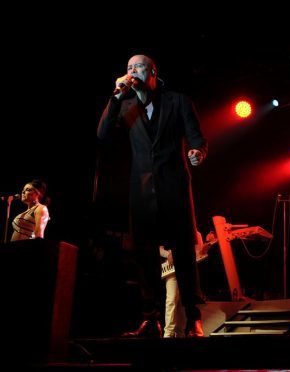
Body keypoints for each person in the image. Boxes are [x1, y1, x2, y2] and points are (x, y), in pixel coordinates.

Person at [97, 54, 208, 337]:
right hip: (142, 189)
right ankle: (151, 317)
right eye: (128, 67)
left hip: (174, 187)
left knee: (183, 254)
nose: (132, 71)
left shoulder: (177, 100)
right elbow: (103, 134)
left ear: (153, 71)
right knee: (142, 254)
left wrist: (197, 152)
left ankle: (193, 318)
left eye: (138, 66)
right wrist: (114, 97)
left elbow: (196, 136)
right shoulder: (125, 105)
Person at [160, 231, 217, 338]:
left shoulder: (196, 233)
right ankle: (168, 333)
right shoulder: (168, 229)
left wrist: (205, 248)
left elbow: (198, 251)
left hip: (186, 269)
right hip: (171, 269)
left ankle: (180, 332)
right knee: (171, 300)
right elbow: (160, 248)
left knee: (183, 302)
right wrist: (168, 254)